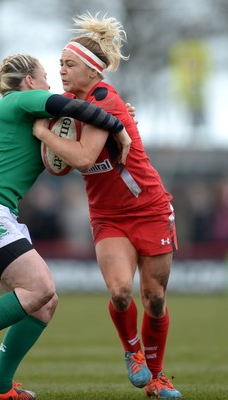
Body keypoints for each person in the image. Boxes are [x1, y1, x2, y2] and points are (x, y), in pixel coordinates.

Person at [0, 53, 131, 400]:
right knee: (39, 286)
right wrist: (119, 124)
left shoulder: (22, 109)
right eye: (45, 77)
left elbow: (81, 119)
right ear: (28, 81)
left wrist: (112, 113)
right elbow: (82, 109)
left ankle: (0, 388)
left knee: (43, 302)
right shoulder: (24, 99)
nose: (50, 85)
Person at [33, 13, 182, 399]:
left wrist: (42, 132)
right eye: (60, 64)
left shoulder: (106, 100)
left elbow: (82, 159)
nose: (61, 71)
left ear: (92, 70)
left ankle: (158, 378)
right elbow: (64, 164)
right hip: (109, 215)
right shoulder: (67, 105)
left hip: (149, 207)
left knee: (155, 299)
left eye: (69, 65)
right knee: (119, 292)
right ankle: (133, 354)